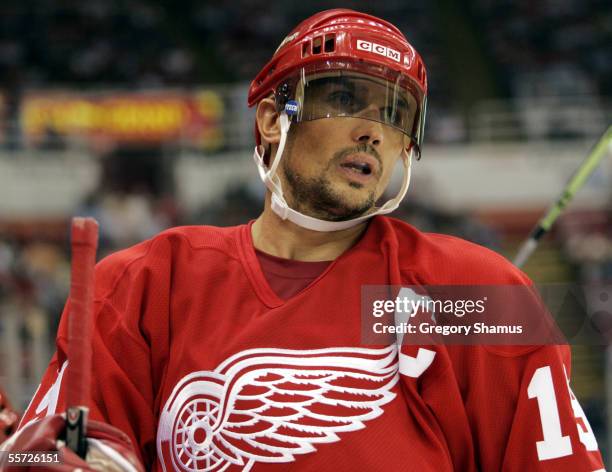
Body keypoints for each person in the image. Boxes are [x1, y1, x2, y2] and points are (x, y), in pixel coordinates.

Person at [1, 8, 606, 472]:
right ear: (271, 118)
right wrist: (31, 457)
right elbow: (51, 453)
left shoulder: (471, 294)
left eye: (393, 114)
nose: (371, 130)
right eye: (343, 97)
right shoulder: (145, 283)